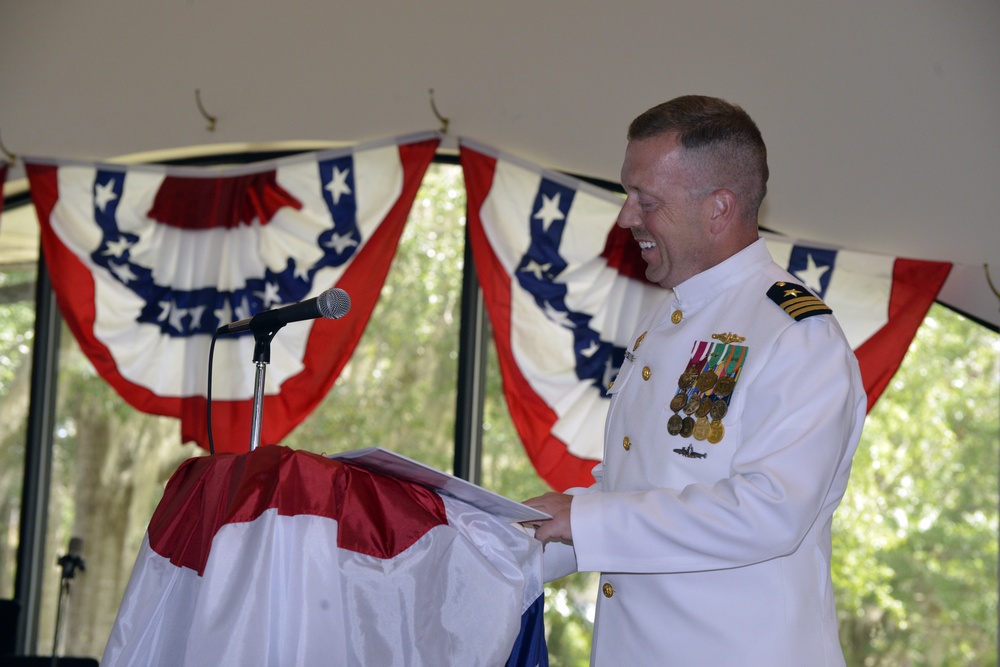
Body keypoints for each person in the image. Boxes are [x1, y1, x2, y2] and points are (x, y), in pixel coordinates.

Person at [523, 95, 866, 666]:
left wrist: (582, 519)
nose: (626, 217)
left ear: (719, 208)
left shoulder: (794, 334)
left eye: (646, 200)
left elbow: (767, 512)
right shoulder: (669, 317)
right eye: (628, 195)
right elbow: (637, 493)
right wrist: (516, 539)